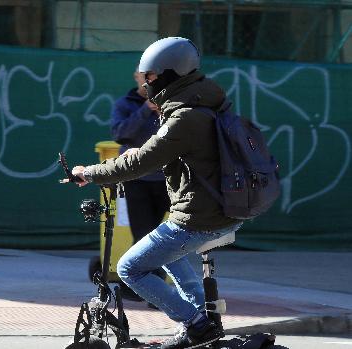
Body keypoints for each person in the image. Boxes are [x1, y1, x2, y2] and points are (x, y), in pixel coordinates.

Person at [69, 37, 242, 349]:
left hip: (199, 216)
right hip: (226, 210)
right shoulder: (210, 103)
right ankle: (203, 319)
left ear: (170, 75)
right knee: (167, 255)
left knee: (129, 268)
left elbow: (139, 162)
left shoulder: (184, 116)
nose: (146, 83)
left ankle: (197, 325)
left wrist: (89, 173)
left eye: (149, 77)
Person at [111, 69, 171, 305]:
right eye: (143, 75)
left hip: (167, 179)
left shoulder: (171, 104)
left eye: (152, 76)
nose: (147, 80)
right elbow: (120, 134)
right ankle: (148, 289)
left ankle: (156, 288)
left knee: (168, 236)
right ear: (136, 77)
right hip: (137, 181)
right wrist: (146, 110)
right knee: (144, 235)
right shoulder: (125, 104)